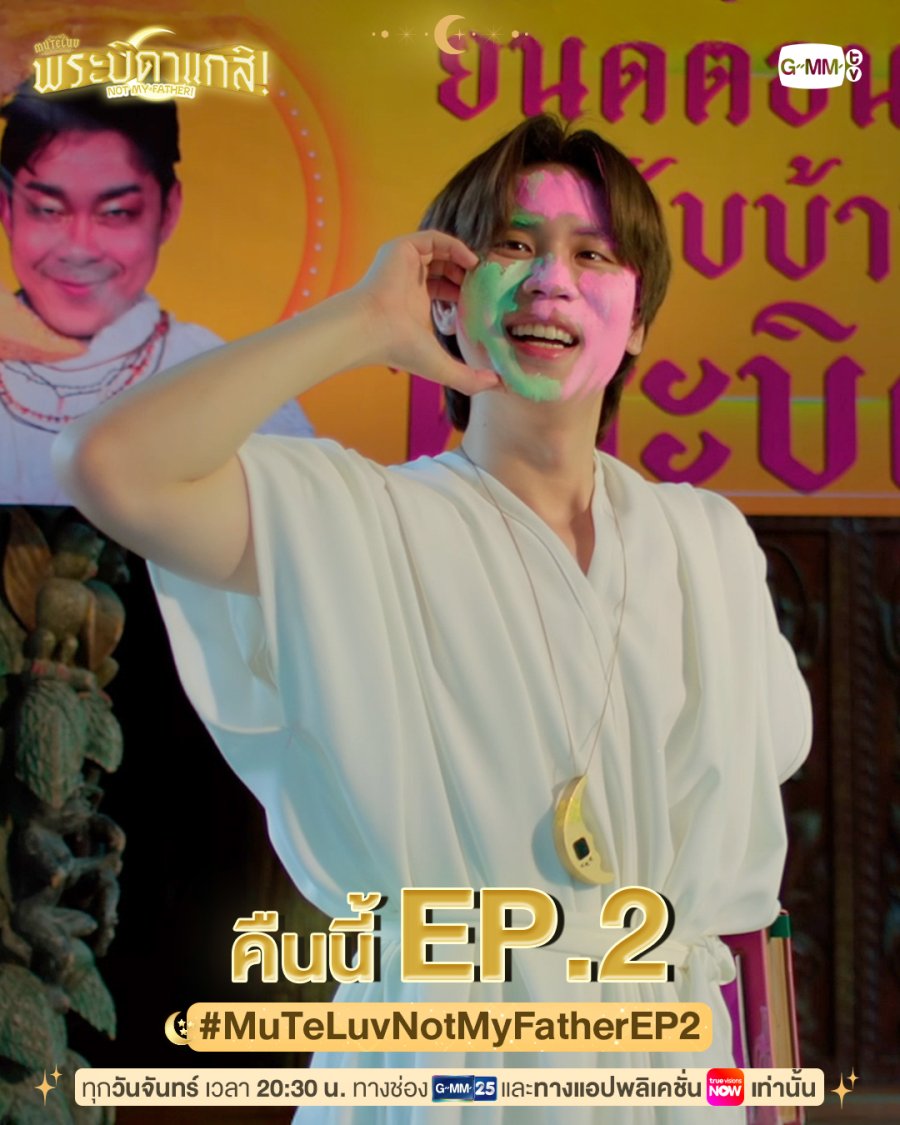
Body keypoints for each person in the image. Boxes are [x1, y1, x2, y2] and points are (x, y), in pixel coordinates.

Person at [54, 115, 812, 1122]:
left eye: (593, 254)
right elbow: (108, 464)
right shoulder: (356, 518)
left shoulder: (704, 543)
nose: (551, 280)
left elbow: (748, 918)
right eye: (513, 245)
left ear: (638, 321)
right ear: (450, 295)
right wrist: (364, 321)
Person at [0, 81, 312, 505]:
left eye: (116, 213)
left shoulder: (226, 381)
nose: (78, 249)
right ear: (6, 209)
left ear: (168, 211)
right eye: (48, 210)